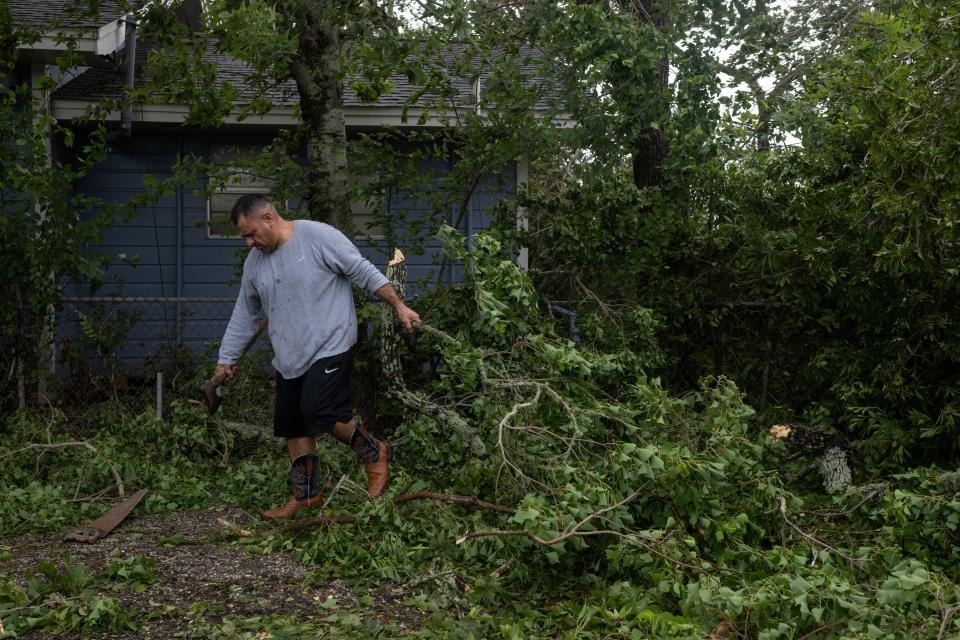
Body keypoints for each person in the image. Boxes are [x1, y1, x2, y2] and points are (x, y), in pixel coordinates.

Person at [216, 194, 419, 519]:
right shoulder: (254, 264)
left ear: (269, 217)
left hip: (330, 344)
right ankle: (307, 495)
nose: (249, 243)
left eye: (250, 233)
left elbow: (363, 272)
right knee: (293, 424)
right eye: (244, 238)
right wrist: (226, 357)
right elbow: (247, 314)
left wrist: (398, 305)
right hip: (288, 355)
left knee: (321, 411)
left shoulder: (317, 237)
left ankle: (375, 451)